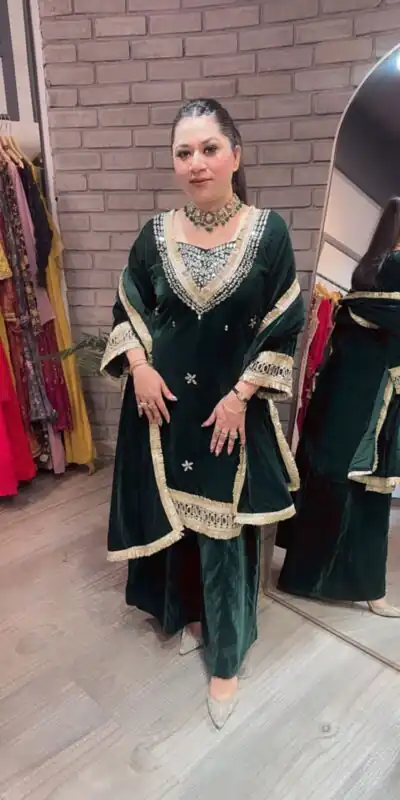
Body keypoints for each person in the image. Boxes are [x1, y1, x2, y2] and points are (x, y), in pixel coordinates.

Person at [101, 98, 304, 728]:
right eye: (184, 152)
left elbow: (284, 324)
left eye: (209, 149)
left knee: (224, 529)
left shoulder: (269, 232)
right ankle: (190, 614)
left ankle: (227, 657)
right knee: (177, 518)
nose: (196, 163)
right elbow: (128, 308)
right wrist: (138, 367)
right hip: (163, 406)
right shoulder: (154, 234)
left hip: (228, 409)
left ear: (235, 155)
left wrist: (242, 397)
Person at [277, 197, 400, 617]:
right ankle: (370, 591)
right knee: (364, 495)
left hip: (340, 401)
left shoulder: (367, 272)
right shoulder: (394, 269)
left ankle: (302, 576)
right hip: (370, 407)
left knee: (329, 485)